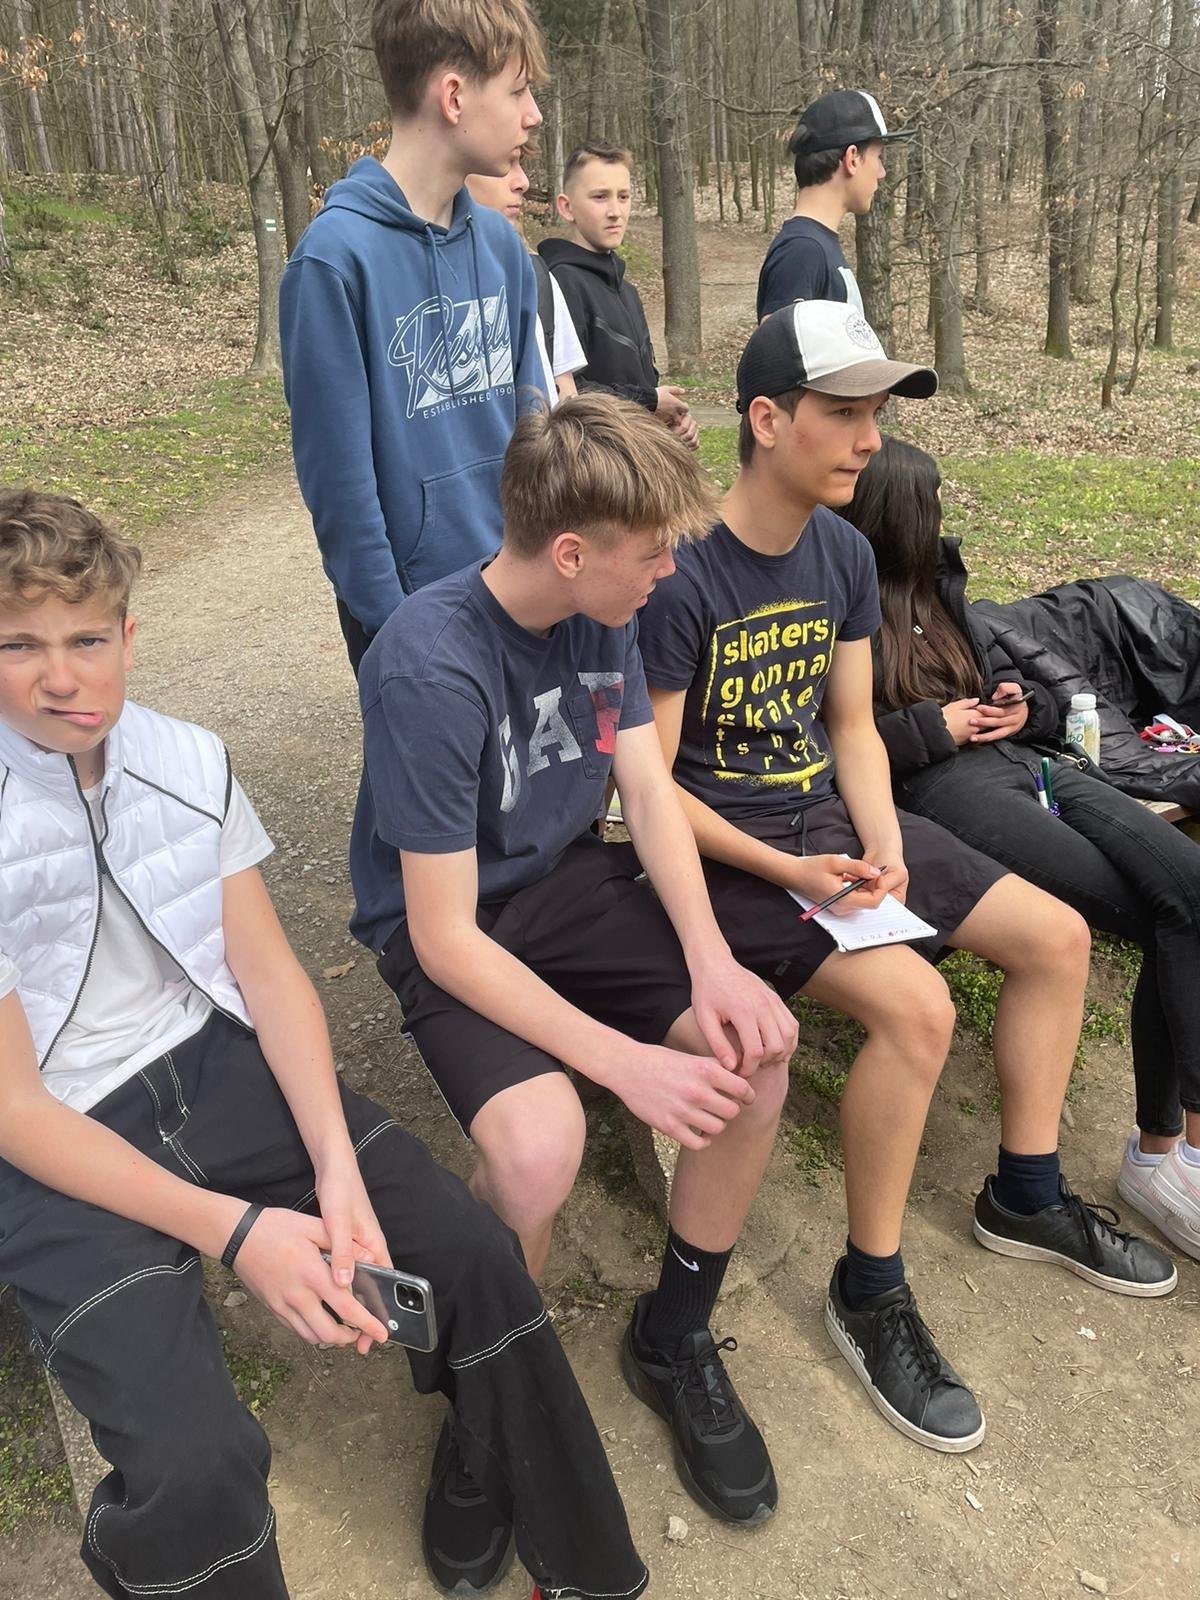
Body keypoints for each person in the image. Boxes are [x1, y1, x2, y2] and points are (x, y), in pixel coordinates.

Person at [0, 489, 649, 1600]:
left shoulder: (188, 761)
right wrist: (241, 1233)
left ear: (129, 637)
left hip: (212, 1059)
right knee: (198, 1464)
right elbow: (15, 1107)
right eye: (19, 645)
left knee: (477, 1258)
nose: (61, 676)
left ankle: (581, 1568)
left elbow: (269, 977)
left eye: (87, 639)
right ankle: (143, 1554)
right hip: (58, 1128)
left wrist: (338, 1170)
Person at [636, 301, 1176, 1455]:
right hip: (731, 854)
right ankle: (869, 1288)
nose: (871, 439)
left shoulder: (842, 553)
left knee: (1058, 940)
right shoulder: (683, 576)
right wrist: (793, 865)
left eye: (876, 412)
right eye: (844, 412)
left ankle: (1025, 1192)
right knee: (919, 1008)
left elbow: (851, 726)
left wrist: (882, 842)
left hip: (833, 824)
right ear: (766, 420)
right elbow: (651, 791)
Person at [351, 394, 799, 1526]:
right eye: (652, 554)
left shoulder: (607, 610)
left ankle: (674, 1335)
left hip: (565, 886)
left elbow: (646, 790)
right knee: (540, 1150)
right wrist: (624, 1063)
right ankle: (486, 1391)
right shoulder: (429, 666)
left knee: (756, 1051)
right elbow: (444, 936)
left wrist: (712, 961)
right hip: (456, 923)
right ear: (570, 552)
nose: (668, 572)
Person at [846, 435, 1200, 1264]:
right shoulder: (839, 605)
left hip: (1025, 763)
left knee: (1190, 884)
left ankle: (1175, 1151)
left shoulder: (941, 589)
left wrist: (1021, 707)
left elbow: (1032, 687)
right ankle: (1160, 1156)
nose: (940, 518)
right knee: (1161, 911)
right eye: (929, 503)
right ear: (897, 515)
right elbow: (835, 749)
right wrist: (929, 728)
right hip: (942, 789)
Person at [280, 0, 549, 675]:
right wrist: (398, 630)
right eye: (517, 91)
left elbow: (534, 428)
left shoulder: (503, 248)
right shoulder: (334, 261)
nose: (533, 114)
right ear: (453, 97)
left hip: (523, 595)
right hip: (411, 624)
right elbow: (340, 488)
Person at [538, 142, 699, 449]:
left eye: (623, 197)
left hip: (641, 460)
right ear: (566, 207)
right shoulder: (561, 282)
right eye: (600, 197)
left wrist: (672, 424)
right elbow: (568, 392)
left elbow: (645, 384)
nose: (615, 212)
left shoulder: (628, 292)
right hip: (594, 466)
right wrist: (649, 401)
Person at [756, 89, 912, 321]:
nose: (882, 173)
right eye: (878, 157)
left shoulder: (814, 247)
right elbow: (775, 344)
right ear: (852, 159)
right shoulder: (801, 253)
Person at [466, 151, 587, 401]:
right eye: (504, 165)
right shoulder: (415, 281)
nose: (523, 182)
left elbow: (566, 396)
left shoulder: (537, 276)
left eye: (519, 164)